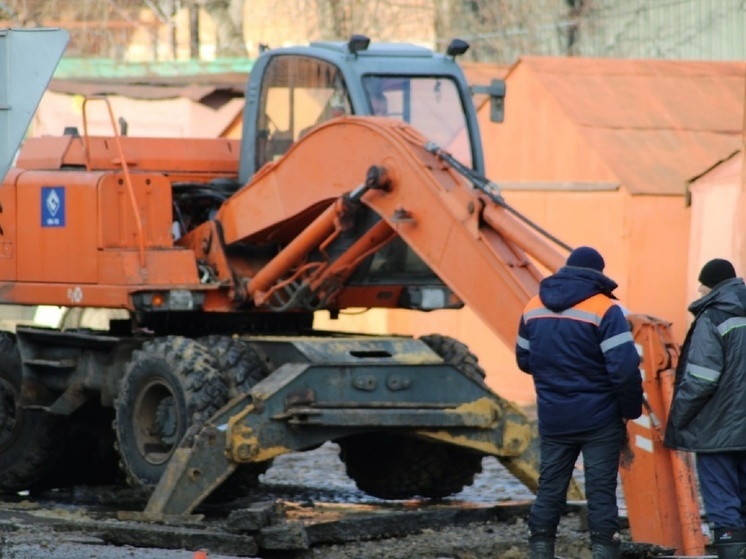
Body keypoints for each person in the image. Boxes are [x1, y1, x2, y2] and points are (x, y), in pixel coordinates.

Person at [515, 246, 643, 559]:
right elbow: (624, 369)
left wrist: (555, 379)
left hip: (554, 417)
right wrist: (630, 411)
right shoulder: (605, 309)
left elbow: (523, 359)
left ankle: (541, 549)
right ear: (599, 274)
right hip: (600, 419)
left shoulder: (533, 306)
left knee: (550, 487)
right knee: (600, 490)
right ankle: (603, 551)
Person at [664, 258, 746, 559]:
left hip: (717, 429)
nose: (700, 295)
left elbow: (701, 380)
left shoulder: (712, 318)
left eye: (702, 289)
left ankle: (731, 550)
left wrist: (679, 419)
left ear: (711, 288)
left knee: (723, 500)